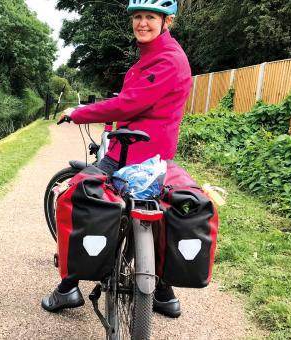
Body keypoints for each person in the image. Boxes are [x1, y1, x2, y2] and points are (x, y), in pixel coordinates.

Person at [42, 0, 192, 318]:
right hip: (151, 153)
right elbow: (133, 105)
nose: (142, 23)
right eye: (137, 16)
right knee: (155, 213)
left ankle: (68, 288)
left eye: (150, 17)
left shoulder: (166, 59)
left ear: (167, 22)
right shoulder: (152, 56)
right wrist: (111, 125)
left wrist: (78, 114)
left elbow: (128, 105)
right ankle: (164, 293)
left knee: (74, 197)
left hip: (136, 155)